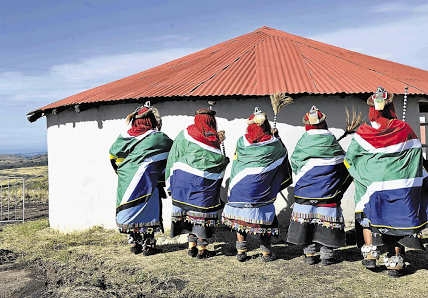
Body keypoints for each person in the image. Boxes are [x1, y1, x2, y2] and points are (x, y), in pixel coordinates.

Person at [344, 87, 428, 276]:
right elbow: (416, 156)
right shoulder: (404, 129)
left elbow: (350, 159)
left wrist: (365, 174)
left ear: (372, 109)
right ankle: (394, 264)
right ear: (391, 107)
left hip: (372, 187)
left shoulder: (363, 133)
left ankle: (370, 256)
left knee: (367, 216)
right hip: (400, 187)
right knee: (396, 223)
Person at [222, 107, 292, 262]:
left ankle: (241, 252)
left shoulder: (241, 141)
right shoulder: (274, 144)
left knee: (241, 219)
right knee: (265, 217)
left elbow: (237, 162)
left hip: (239, 189)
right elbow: (283, 157)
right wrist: (277, 137)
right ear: (265, 125)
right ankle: (266, 253)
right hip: (262, 191)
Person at [286, 106, 351, 266]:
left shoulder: (303, 140)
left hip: (304, 192)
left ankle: (309, 254)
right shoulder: (331, 140)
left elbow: (295, 162)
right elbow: (344, 163)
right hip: (327, 192)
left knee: (308, 222)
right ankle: (327, 256)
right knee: (325, 223)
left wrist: (308, 171)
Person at [109, 101, 172, 256]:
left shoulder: (122, 138)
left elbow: (113, 156)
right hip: (149, 183)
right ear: (151, 121)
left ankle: (135, 243)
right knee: (148, 213)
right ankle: (148, 246)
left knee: (131, 210)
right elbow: (173, 153)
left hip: (127, 183)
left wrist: (125, 173)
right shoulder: (158, 138)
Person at [165, 108, 229, 259]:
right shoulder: (213, 139)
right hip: (204, 185)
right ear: (212, 121)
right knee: (201, 214)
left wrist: (171, 181)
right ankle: (201, 250)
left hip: (182, 182)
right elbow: (217, 161)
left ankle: (191, 247)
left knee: (189, 215)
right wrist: (224, 161)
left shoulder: (184, 134)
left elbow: (174, 155)